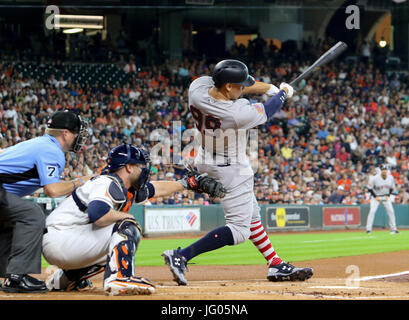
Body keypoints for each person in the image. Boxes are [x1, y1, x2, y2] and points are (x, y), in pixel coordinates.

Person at [162, 59, 313, 286]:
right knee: (240, 230)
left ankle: (275, 263)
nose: (243, 89)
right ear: (229, 87)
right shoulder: (236, 113)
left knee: (251, 215)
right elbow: (269, 109)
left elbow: (240, 87)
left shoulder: (197, 88)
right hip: (230, 168)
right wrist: (281, 95)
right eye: (239, 86)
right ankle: (182, 255)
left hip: (206, 157)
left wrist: (272, 88)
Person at [43, 144, 226, 296]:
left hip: (64, 241)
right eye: (140, 166)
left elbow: (154, 189)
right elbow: (98, 213)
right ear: (129, 167)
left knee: (114, 245)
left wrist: (185, 184)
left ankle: (65, 279)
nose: (144, 170)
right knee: (126, 224)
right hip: (62, 238)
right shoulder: (107, 182)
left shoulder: (121, 185)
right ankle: (120, 278)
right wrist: (126, 217)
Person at [0, 110, 94, 293]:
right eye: (77, 133)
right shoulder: (50, 149)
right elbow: (53, 190)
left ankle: (9, 276)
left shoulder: (41, 144)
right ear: (65, 134)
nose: (79, 138)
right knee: (32, 214)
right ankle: (17, 277)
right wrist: (82, 181)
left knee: (9, 222)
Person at [365, 164, 399, 234]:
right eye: (383, 170)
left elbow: (392, 188)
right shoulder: (375, 178)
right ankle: (368, 229)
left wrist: (388, 195)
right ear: (381, 170)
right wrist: (375, 196)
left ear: (387, 171)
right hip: (376, 197)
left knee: (391, 211)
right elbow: (369, 189)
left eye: (385, 170)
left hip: (385, 196)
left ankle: (394, 229)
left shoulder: (391, 178)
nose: (384, 171)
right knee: (372, 211)